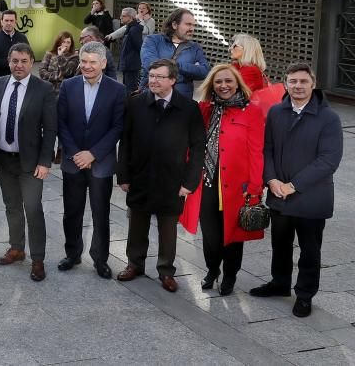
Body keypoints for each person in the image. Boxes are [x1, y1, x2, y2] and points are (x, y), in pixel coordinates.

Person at [250, 63, 343, 318]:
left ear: (313, 84)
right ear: (285, 84)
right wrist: (271, 180)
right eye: (293, 81)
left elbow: (328, 160)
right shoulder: (277, 112)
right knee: (280, 244)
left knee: (310, 250)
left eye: (303, 81)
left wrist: (293, 185)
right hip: (279, 195)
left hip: (311, 198)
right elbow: (266, 149)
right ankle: (280, 283)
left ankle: (304, 294)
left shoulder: (328, 118)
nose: (298, 86)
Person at [116, 59, 206, 293]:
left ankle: (166, 271)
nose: (153, 80)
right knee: (137, 224)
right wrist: (123, 175)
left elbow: (198, 148)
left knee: (168, 229)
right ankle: (134, 264)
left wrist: (190, 182)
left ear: (173, 80)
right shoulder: (135, 103)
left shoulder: (188, 108)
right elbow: (125, 141)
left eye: (159, 77)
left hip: (172, 180)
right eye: (151, 76)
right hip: (140, 176)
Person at [180, 64, 266, 296]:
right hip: (206, 181)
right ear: (212, 85)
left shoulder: (251, 111)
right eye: (218, 82)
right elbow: (192, 144)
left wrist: (256, 187)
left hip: (237, 185)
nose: (223, 86)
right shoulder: (205, 109)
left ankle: (230, 274)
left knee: (233, 235)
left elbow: (257, 152)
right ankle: (212, 269)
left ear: (237, 83)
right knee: (210, 235)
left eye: (228, 81)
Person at [56, 42, 125, 279]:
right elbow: (61, 122)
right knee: (71, 212)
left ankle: (100, 259)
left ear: (103, 63)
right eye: (84, 61)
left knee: (100, 213)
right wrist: (76, 152)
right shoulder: (68, 85)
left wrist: (93, 154)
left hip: (101, 162)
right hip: (73, 161)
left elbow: (117, 127)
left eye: (92, 62)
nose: (87, 66)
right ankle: (72, 254)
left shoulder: (117, 90)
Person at [0, 44, 56, 281]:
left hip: (30, 163)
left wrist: (45, 161)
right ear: (9, 61)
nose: (19, 65)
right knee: (12, 206)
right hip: (3, 158)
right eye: (15, 61)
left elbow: (50, 129)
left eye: (24, 61)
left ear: (32, 62)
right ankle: (16, 248)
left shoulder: (44, 89)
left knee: (33, 209)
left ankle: (37, 259)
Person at [140, 8, 210, 97]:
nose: (192, 29)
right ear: (174, 25)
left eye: (193, 25)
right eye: (188, 24)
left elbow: (204, 72)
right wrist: (188, 71)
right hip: (152, 98)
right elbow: (150, 65)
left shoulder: (195, 48)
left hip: (181, 102)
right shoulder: (153, 40)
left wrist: (176, 65)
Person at [0, 10, 29, 78]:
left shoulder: (22, 38)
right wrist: (10, 63)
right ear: (2, 22)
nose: (9, 23)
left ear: (15, 22)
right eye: (6, 20)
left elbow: (30, 56)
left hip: (20, 78)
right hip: (0, 79)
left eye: (11, 21)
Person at [39, 31, 79, 96]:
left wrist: (60, 56)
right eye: (63, 42)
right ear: (59, 42)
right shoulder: (49, 54)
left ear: (71, 44)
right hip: (47, 89)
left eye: (68, 42)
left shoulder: (74, 57)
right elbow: (42, 72)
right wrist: (57, 76)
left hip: (63, 91)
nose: (66, 45)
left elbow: (67, 72)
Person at [116, 8, 144, 93]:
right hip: (128, 64)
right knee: (126, 88)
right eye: (121, 15)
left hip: (131, 65)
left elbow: (139, 46)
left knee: (130, 89)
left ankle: (130, 105)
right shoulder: (130, 28)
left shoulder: (134, 30)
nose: (121, 17)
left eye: (124, 16)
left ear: (131, 17)